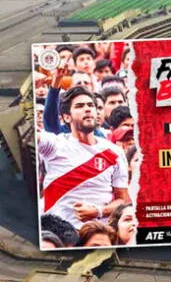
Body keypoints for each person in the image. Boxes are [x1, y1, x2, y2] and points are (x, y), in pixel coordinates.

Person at [38, 86, 131, 229]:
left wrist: (99, 211)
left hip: (98, 235)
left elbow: (123, 200)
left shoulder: (114, 152)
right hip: (59, 235)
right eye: (80, 106)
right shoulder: (55, 145)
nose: (87, 109)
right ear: (66, 117)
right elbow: (34, 134)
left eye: (91, 105)